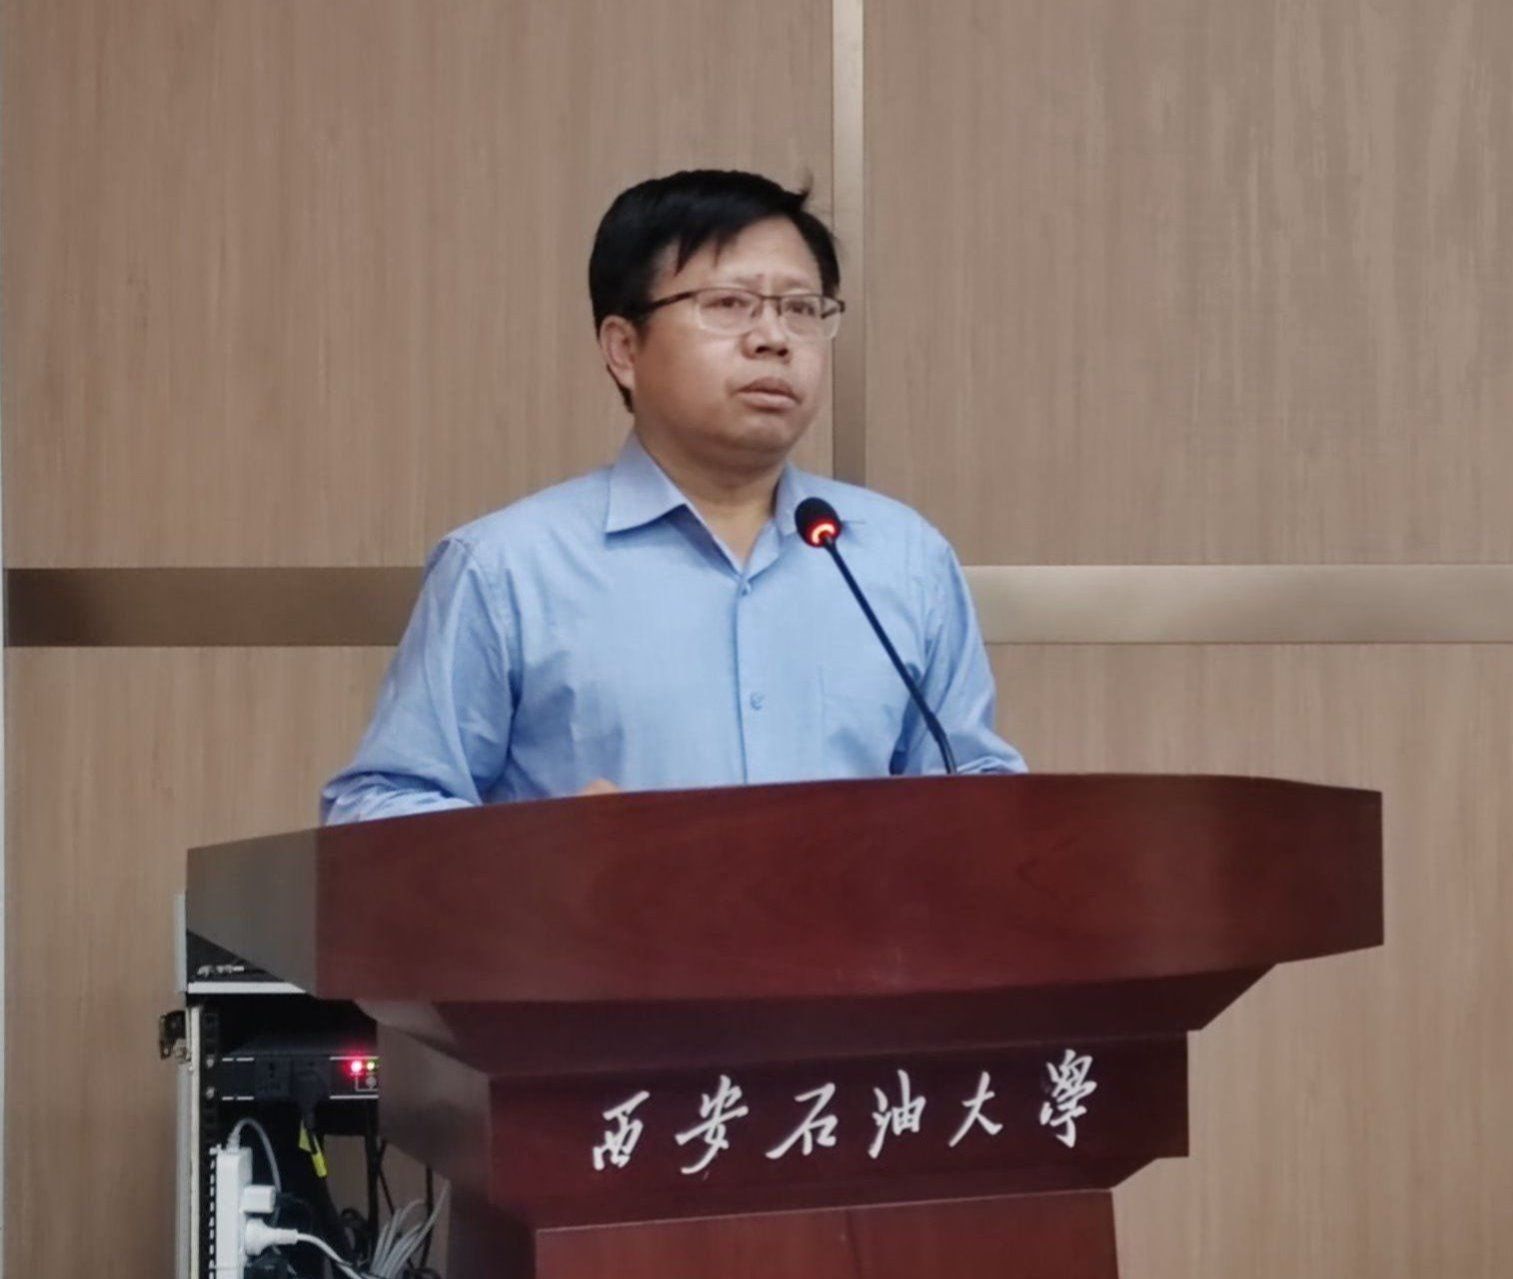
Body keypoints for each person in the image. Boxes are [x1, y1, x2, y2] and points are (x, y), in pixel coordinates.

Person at [320, 169, 1025, 824]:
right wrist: (536, 849)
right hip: (593, 926)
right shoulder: (509, 568)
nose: (774, 338)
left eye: (802, 309)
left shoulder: (900, 557)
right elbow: (373, 806)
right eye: (730, 305)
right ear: (624, 349)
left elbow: (973, 789)